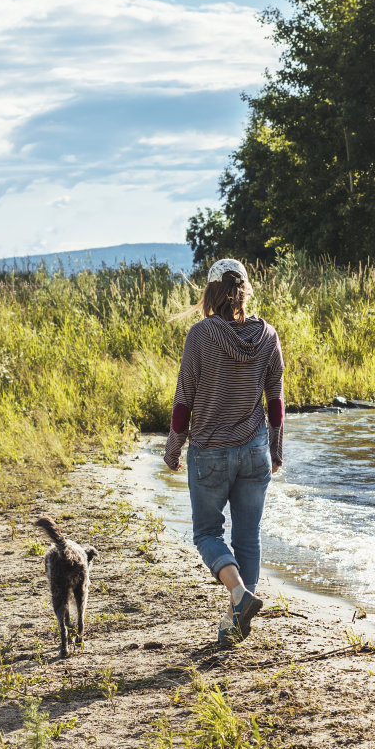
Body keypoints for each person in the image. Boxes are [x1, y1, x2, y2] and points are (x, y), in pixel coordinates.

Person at [164, 258, 286, 646]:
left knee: (206, 534)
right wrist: (276, 449)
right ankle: (238, 622)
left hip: (210, 453)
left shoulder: (200, 336)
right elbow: (276, 402)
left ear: (211, 293)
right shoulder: (268, 335)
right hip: (254, 450)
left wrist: (173, 447)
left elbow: (185, 401)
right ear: (245, 291)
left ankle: (238, 595)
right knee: (248, 537)